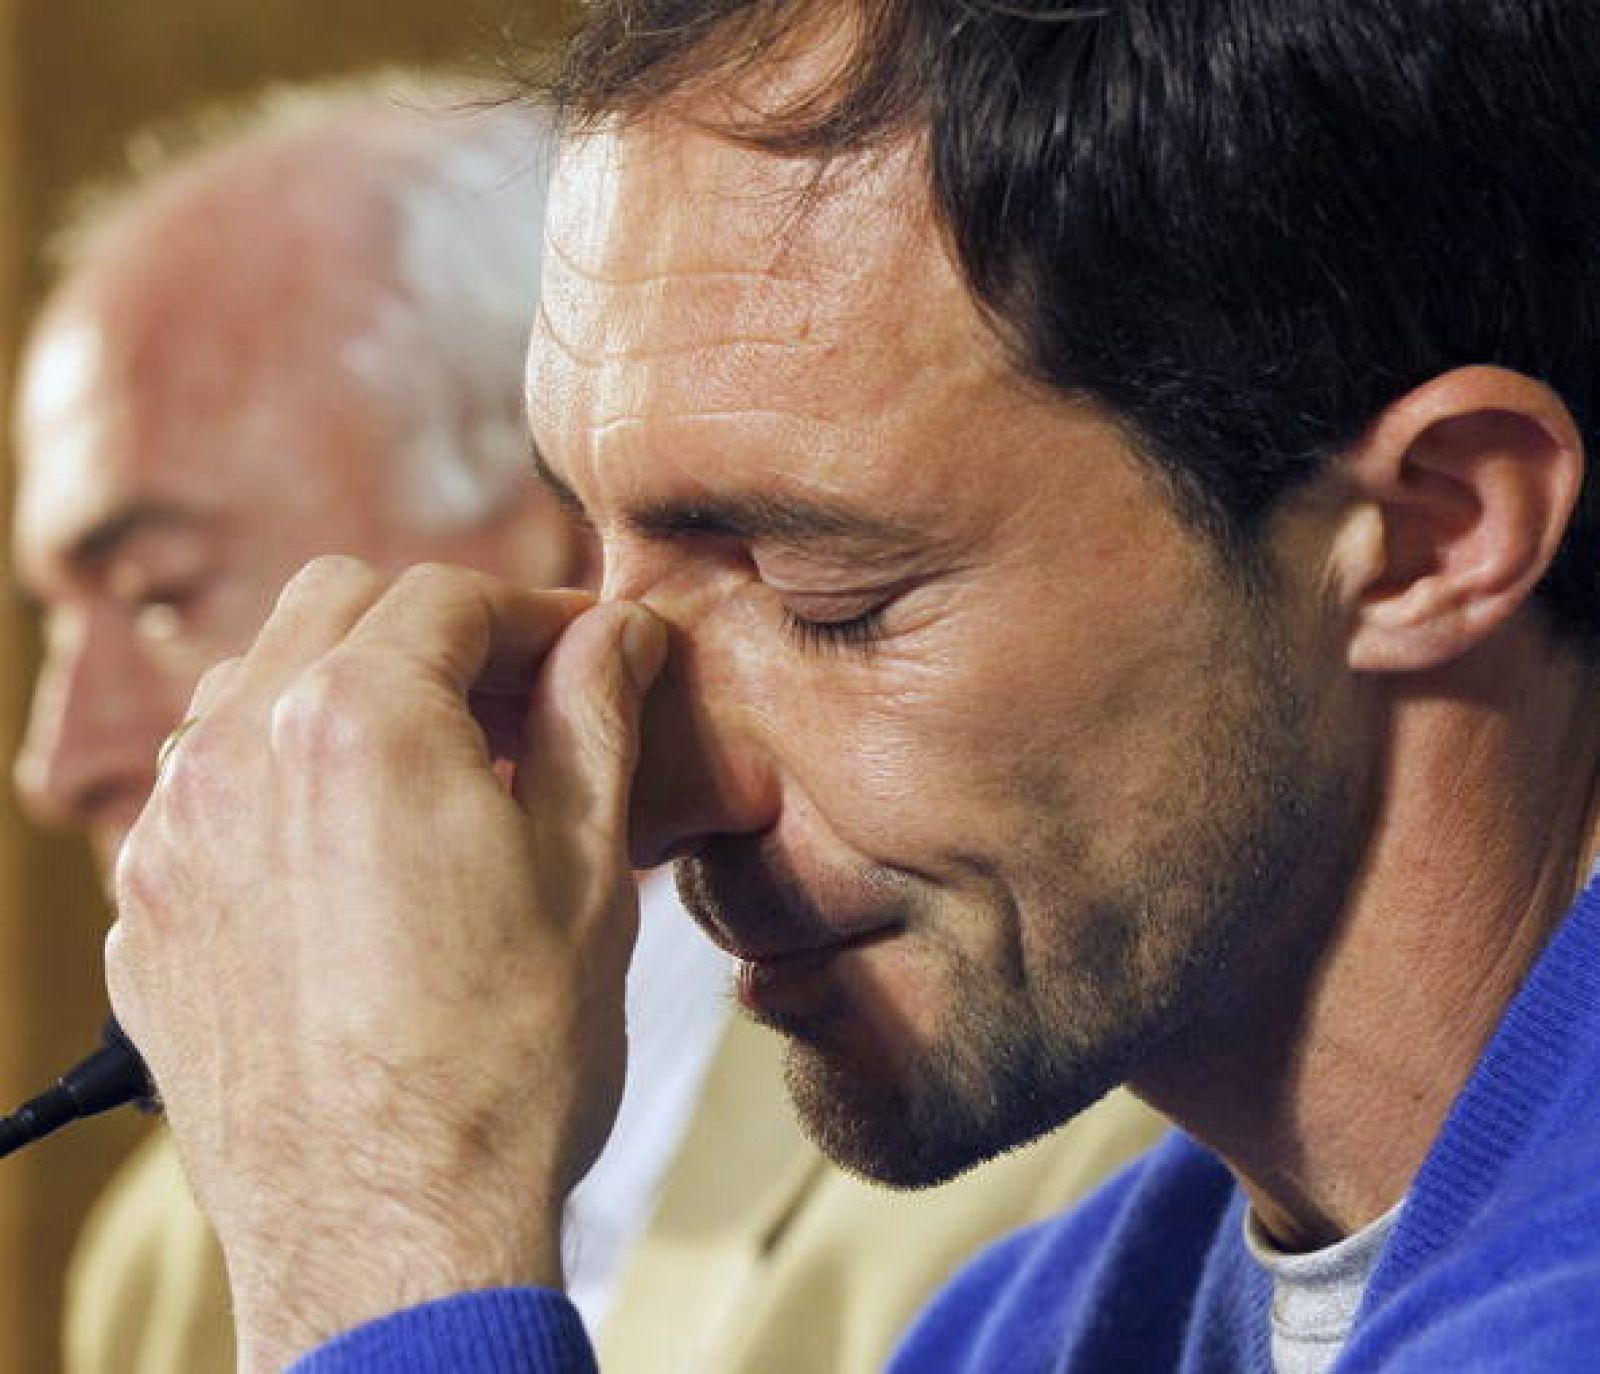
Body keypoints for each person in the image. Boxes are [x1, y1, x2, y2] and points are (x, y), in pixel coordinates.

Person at [10, 78, 1163, 1373]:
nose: (56, 759)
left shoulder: (1080, 1139)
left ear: (555, 543)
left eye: (161, 593)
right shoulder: (175, 1247)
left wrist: (390, 1234)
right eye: (54, 616)